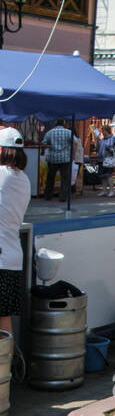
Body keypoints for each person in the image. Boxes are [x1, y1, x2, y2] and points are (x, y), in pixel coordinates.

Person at [0, 128, 31, 339]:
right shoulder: (24, 180)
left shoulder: (2, 176)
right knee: (4, 320)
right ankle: (6, 370)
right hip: (12, 257)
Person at [42, 119, 73, 201]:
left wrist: (47, 151)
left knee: (50, 177)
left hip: (53, 158)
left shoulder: (50, 132)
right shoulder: (68, 132)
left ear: (55, 124)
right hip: (65, 158)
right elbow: (75, 142)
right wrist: (72, 154)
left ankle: (48, 196)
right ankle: (63, 197)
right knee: (65, 179)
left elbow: (44, 143)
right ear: (64, 123)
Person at [97, 123, 115, 198]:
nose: (103, 132)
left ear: (107, 131)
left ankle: (112, 191)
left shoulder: (114, 139)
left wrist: (113, 149)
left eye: (103, 131)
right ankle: (104, 191)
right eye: (102, 131)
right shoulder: (101, 140)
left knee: (109, 176)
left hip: (109, 160)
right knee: (103, 176)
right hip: (102, 159)